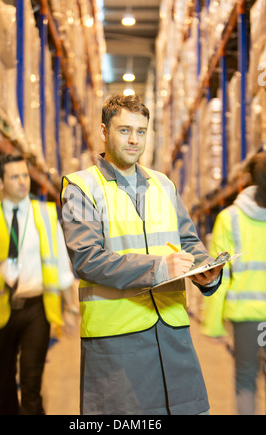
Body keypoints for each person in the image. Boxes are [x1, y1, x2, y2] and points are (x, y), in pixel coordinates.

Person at [60, 94, 224, 415]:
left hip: (173, 333)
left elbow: (189, 242)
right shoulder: (81, 187)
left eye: (141, 131)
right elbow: (87, 259)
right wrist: (159, 268)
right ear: (104, 132)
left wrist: (207, 271)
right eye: (124, 131)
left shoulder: (164, 185)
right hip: (117, 339)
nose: (134, 140)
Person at [0, 153, 76, 415]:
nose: (23, 181)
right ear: (0, 183)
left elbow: (62, 267)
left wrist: (71, 309)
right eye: (15, 177)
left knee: (31, 382)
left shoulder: (48, 217)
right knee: (3, 385)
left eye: (24, 175)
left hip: (35, 310)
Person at [202, 152, 266, 415]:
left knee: (245, 382)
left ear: (248, 178)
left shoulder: (229, 218)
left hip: (246, 319)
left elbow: (219, 275)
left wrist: (214, 325)